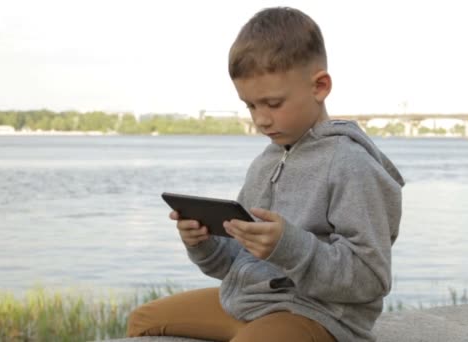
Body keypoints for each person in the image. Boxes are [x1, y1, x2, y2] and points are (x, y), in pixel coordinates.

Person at [127, 6, 404, 342]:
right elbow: (234, 263)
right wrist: (203, 243)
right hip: (253, 304)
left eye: (273, 104)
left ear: (320, 86)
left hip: (321, 318)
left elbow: (370, 278)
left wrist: (289, 246)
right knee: (143, 320)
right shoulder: (265, 163)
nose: (261, 119)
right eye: (250, 105)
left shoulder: (351, 165)